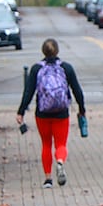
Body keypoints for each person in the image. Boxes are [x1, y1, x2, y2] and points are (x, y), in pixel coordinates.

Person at [17, 38, 87, 189]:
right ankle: (60, 161)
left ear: (43, 51)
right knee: (61, 144)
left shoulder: (36, 69)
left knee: (46, 144)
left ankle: (48, 179)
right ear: (57, 51)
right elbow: (77, 91)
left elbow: (28, 92)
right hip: (61, 113)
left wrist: (21, 111)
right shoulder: (66, 68)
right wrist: (82, 109)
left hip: (42, 113)